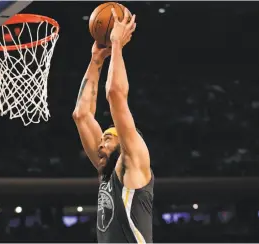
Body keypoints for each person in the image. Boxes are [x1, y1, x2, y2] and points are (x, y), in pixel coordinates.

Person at [73, 7, 153, 243]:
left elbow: (116, 94)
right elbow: (82, 114)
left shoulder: (134, 164)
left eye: (107, 138)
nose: (100, 145)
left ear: (125, 142)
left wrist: (117, 44)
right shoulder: (108, 176)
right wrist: (96, 60)